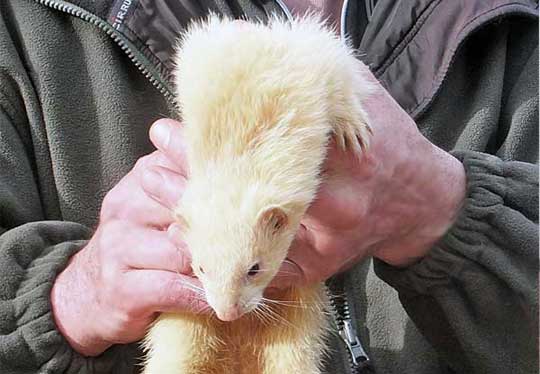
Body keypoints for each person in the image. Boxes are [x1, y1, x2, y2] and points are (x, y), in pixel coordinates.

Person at [0, 0, 537, 373]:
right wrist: (62, 302)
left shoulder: (518, 33)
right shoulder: (21, 29)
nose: (228, 308)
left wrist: (449, 214)